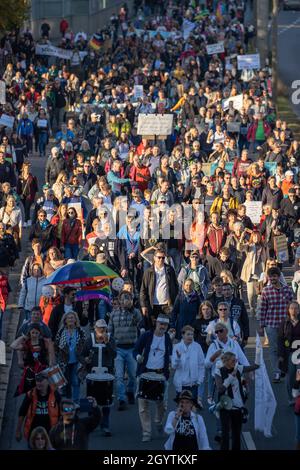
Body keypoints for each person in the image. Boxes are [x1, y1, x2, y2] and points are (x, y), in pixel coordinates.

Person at [133, 314, 172, 442]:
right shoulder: (146, 336)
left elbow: (170, 355)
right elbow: (136, 350)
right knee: (143, 406)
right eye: (161, 324)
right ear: (156, 323)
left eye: (165, 325)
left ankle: (158, 421)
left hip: (160, 375)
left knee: (163, 405)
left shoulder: (167, 338)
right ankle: (146, 432)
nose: (163, 327)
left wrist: (171, 365)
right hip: (145, 373)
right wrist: (138, 357)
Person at [215, 351, 259, 450]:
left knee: (236, 434)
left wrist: (258, 359)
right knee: (225, 434)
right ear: (226, 361)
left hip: (237, 406)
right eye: (233, 361)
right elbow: (220, 389)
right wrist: (231, 377)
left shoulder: (238, 368)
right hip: (225, 406)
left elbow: (251, 367)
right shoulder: (219, 372)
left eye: (235, 361)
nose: (235, 363)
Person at [80, 319, 116, 436]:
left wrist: (107, 343)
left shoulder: (110, 339)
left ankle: (105, 426)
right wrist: (85, 360)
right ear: (95, 328)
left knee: (106, 402)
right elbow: (82, 354)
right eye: (100, 328)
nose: (102, 330)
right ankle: (91, 423)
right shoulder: (90, 339)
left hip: (106, 375)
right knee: (90, 401)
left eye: (104, 328)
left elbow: (114, 354)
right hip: (92, 374)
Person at [108, 291, 141, 411]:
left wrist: (131, 308)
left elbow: (140, 321)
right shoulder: (113, 314)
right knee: (119, 376)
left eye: (127, 299)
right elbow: (109, 332)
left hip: (131, 348)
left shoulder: (135, 312)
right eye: (122, 299)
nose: (124, 301)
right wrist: (110, 347)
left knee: (133, 375)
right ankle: (121, 399)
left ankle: (130, 391)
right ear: (119, 300)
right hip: (119, 349)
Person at [259, 267, 294, 383]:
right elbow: (263, 308)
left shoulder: (287, 290)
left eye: (275, 276)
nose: (273, 278)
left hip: (286, 325)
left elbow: (292, 307)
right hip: (271, 324)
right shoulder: (265, 291)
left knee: (286, 347)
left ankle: (285, 368)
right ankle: (277, 372)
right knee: (273, 349)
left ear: (279, 277)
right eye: (271, 276)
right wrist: (261, 325)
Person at [15, 370, 61, 443]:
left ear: (47, 381)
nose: (39, 383)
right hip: (33, 433)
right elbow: (22, 412)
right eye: (37, 380)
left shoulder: (55, 394)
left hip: (50, 432)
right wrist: (18, 430)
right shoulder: (30, 394)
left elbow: (61, 413)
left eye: (41, 380)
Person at [140, 247, 179, 326]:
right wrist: (143, 305)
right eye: (159, 257)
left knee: (167, 328)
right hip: (153, 305)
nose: (161, 259)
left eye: (163, 258)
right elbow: (143, 290)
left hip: (167, 305)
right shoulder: (148, 272)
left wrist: (173, 302)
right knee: (153, 329)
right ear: (154, 258)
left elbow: (176, 286)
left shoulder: (169, 269)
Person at [55, 311, 86, 405]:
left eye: (72, 318)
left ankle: (76, 402)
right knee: (65, 383)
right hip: (64, 361)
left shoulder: (80, 331)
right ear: (65, 320)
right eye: (69, 318)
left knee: (76, 381)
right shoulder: (61, 332)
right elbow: (56, 345)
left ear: (76, 320)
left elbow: (84, 345)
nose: (71, 320)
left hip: (77, 361)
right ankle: (67, 403)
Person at [171, 325, 205, 406]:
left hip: (193, 384)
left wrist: (200, 380)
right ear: (183, 335)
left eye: (192, 334)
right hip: (181, 384)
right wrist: (178, 358)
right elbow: (174, 366)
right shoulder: (177, 347)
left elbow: (201, 365)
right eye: (188, 334)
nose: (190, 336)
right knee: (181, 407)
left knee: (192, 408)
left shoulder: (197, 346)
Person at [278, 302, 300, 404]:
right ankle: (290, 398)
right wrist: (281, 355)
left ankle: (298, 396)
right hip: (289, 353)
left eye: (296, 308)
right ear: (288, 310)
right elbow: (280, 339)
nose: (293, 310)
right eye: (291, 308)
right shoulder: (284, 322)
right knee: (290, 376)